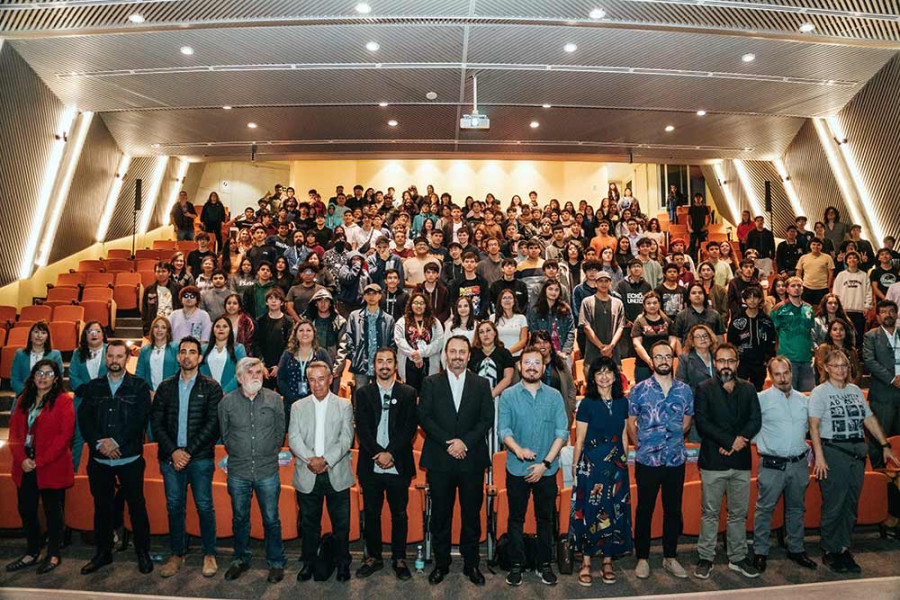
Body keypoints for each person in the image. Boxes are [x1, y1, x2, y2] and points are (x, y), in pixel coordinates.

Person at [809, 348, 898, 573]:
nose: (841, 369)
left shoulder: (856, 390)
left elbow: (868, 418)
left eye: (845, 365)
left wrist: (885, 445)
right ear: (826, 368)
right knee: (834, 504)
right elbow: (814, 426)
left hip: (857, 452)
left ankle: (843, 547)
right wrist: (819, 457)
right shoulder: (820, 392)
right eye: (836, 365)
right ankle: (830, 550)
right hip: (833, 451)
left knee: (850, 504)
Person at [418, 336, 494, 586]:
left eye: (462, 352)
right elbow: (425, 418)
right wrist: (450, 443)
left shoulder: (482, 384)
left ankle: (472, 564)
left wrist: (465, 443)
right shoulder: (430, 383)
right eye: (453, 351)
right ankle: (441, 564)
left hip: (471, 459)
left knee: (471, 515)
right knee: (440, 515)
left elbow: (486, 419)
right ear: (445, 355)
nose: (458, 356)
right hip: (441, 459)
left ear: (469, 356)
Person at [78, 340, 154, 575]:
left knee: (137, 508)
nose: (114, 360)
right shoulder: (93, 387)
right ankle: (103, 553)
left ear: (126, 359)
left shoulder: (139, 386)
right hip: (100, 460)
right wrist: (100, 443)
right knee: (102, 509)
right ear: (105, 358)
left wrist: (116, 441)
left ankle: (142, 552)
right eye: (110, 356)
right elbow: (85, 420)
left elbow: (140, 419)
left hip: (129, 458)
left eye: (119, 356)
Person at [150, 337, 223, 579]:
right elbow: (156, 424)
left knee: (204, 506)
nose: (187, 356)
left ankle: (209, 554)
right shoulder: (165, 387)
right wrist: (174, 451)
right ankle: (177, 554)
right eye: (183, 352)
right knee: (174, 506)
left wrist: (188, 451)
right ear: (178, 356)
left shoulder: (211, 388)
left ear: (200, 358)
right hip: (171, 458)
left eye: (193, 352)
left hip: (199, 458)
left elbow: (213, 425)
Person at [498, 346, 568, 587]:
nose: (531, 366)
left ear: (544, 366)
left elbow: (562, 433)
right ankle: (516, 564)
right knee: (515, 518)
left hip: (547, 470)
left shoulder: (554, 396)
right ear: (519, 366)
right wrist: (518, 450)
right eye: (527, 362)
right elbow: (503, 430)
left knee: (545, 519)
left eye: (536, 363)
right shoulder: (508, 396)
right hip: (516, 468)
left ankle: (544, 564)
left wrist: (544, 463)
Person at [692, 343, 761, 579]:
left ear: (737, 363)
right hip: (713, 460)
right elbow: (703, 423)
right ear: (714, 362)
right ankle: (705, 557)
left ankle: (738, 557)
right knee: (709, 512)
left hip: (741, 460)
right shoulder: (703, 388)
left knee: (738, 513)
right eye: (721, 361)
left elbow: (755, 420)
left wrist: (739, 441)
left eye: (730, 361)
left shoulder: (749, 389)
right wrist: (730, 441)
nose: (726, 366)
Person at [628, 340, 693, 580]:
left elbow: (687, 421)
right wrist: (643, 444)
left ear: (672, 359)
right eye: (659, 357)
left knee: (673, 510)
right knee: (645, 509)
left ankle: (670, 557)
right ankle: (642, 558)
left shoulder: (684, 390)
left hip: (675, 459)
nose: (664, 360)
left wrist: (673, 439)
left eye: (668, 356)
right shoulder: (639, 389)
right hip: (647, 460)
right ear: (652, 360)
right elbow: (631, 424)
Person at [218, 357, 286, 583]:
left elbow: (279, 434)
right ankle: (240, 559)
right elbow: (226, 436)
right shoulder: (226, 403)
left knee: (271, 518)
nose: (256, 376)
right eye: (250, 372)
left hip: (267, 470)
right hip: (238, 471)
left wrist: (267, 452)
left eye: (259, 372)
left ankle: (276, 561)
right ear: (239, 378)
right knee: (240, 518)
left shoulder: (275, 400)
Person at [354, 348, 418, 580]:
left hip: (397, 463)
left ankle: (399, 558)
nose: (384, 365)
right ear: (374, 365)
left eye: (389, 361)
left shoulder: (408, 392)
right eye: (380, 361)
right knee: (371, 513)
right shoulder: (363, 393)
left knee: (399, 513)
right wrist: (379, 453)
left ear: (394, 365)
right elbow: (361, 428)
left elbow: (409, 428)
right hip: (371, 463)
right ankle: (374, 557)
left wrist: (390, 453)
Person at [289, 361, 355, 583]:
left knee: (341, 524)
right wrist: (311, 460)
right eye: (312, 380)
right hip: (308, 472)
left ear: (330, 379)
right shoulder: (297, 407)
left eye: (321, 379)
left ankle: (343, 563)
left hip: (336, 471)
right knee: (309, 524)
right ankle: (308, 562)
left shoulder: (344, 405)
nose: (316, 384)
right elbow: (294, 438)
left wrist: (325, 460)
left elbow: (346, 439)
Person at [5, 360, 73, 575]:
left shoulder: (63, 401)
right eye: (39, 373)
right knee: (26, 508)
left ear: (56, 379)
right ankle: (32, 550)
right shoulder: (23, 399)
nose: (43, 377)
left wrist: (39, 461)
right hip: (24, 464)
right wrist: (23, 458)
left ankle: (53, 553)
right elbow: (14, 433)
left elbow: (64, 437)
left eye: (49, 374)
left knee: (53, 511)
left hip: (50, 464)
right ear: (33, 376)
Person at [751, 357, 818, 573]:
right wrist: (765, 442)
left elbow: (812, 430)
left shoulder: (804, 400)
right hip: (771, 465)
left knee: (797, 509)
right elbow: (749, 429)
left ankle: (796, 549)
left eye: (786, 373)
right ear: (770, 375)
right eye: (777, 374)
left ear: (791, 372)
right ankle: (760, 552)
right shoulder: (760, 399)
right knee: (764, 510)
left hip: (799, 464)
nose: (782, 378)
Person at [570, 357, 633, 586]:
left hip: (616, 464)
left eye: (608, 372)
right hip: (593, 463)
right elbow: (580, 440)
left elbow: (625, 435)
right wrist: (576, 466)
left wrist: (624, 461)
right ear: (593, 378)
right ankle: (586, 562)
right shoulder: (586, 404)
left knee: (614, 509)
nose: (604, 376)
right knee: (590, 510)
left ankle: (608, 560)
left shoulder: (622, 403)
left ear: (615, 376)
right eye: (599, 373)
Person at [862, 300, 900, 467]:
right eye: (883, 312)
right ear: (878, 316)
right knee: (880, 437)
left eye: (891, 311)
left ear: (897, 314)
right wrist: (893, 379)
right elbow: (869, 361)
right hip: (883, 394)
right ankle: (878, 474)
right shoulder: (871, 336)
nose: (888, 315)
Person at [277, 319, 332, 428]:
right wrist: (293, 399)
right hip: (291, 404)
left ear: (314, 333)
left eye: (308, 330)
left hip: (316, 403)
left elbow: (328, 378)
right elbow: (280, 379)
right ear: (295, 334)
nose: (305, 333)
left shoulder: (322, 354)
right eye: (301, 330)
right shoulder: (287, 354)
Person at [341, 283, 397, 392]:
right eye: (368, 294)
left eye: (374, 293)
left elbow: (392, 343)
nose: (371, 297)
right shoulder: (355, 316)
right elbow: (348, 338)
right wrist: (354, 356)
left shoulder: (388, 319)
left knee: (382, 395)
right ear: (364, 296)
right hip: (361, 364)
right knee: (361, 395)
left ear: (380, 296)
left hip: (382, 364)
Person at [67, 321, 106, 470]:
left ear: (103, 334)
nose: (94, 334)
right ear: (85, 335)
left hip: (106, 402)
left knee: (104, 437)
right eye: (90, 331)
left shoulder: (110, 350)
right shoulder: (78, 353)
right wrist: (88, 392)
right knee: (79, 437)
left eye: (97, 331)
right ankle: (75, 472)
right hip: (82, 401)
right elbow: (73, 376)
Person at [726, 285, 777, 391]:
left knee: (758, 390)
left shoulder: (766, 320)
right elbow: (731, 341)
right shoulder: (737, 320)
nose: (752, 300)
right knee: (739, 390)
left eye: (755, 297)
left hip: (760, 362)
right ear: (744, 300)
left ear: (760, 300)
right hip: (742, 362)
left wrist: (768, 358)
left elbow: (772, 340)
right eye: (749, 297)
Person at [770, 277, 816, 392]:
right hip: (787, 359)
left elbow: (810, 331)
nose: (796, 288)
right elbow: (772, 332)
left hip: (806, 359)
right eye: (793, 286)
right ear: (787, 289)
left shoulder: (809, 308)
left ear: (803, 289)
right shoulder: (779, 309)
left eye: (799, 286)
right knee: (787, 395)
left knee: (808, 396)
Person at [393, 291, 444, 390]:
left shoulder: (435, 322)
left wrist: (421, 353)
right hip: (408, 362)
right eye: (415, 303)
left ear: (426, 306)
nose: (418, 306)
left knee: (428, 392)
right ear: (410, 305)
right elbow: (399, 340)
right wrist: (414, 354)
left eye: (422, 303)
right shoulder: (402, 321)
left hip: (429, 362)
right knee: (409, 392)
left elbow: (439, 341)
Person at [580, 270, 626, 365]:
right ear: (595, 284)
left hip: (613, 352)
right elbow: (586, 327)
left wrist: (610, 347)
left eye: (606, 281)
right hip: (593, 351)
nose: (604, 284)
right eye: (601, 281)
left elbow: (620, 327)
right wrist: (602, 347)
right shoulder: (587, 302)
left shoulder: (618, 303)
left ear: (610, 283)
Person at [252, 288, 293, 390]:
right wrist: (262, 365)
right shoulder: (260, 321)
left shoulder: (289, 321)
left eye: (277, 298)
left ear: (282, 302)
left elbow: (290, 345)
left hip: (283, 366)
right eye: (270, 298)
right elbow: (256, 344)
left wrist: (280, 365)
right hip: (264, 368)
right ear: (266, 302)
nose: (273, 301)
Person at [11, 321, 64, 399]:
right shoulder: (20, 354)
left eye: (43, 333)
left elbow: (58, 378)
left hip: (47, 398)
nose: (39, 335)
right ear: (30, 336)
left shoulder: (55, 355)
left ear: (47, 337)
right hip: (24, 397)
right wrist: (26, 394)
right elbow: (15, 378)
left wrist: (43, 394)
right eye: (36, 332)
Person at [632, 291, 676, 384]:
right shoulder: (639, 322)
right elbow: (637, 344)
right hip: (644, 365)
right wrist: (649, 360)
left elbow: (673, 340)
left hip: (664, 364)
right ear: (644, 305)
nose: (652, 305)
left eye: (655, 303)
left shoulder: (667, 321)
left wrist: (667, 357)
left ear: (659, 304)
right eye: (648, 303)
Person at [527, 279, 576, 362]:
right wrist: (546, 352)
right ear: (545, 290)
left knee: (565, 370)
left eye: (556, 290)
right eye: (550, 289)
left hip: (563, 351)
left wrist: (564, 351)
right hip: (542, 352)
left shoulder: (566, 309)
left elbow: (571, 332)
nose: (553, 292)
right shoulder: (535, 310)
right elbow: (534, 333)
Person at [833, 251, 872, 349]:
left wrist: (867, 306)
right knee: (844, 335)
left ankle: (857, 358)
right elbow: (835, 293)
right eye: (850, 258)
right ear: (846, 261)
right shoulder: (841, 275)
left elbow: (868, 292)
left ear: (858, 260)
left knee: (858, 336)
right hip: (844, 311)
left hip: (859, 310)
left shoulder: (863, 275)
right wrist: (838, 308)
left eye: (855, 258)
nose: (852, 260)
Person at [201, 316, 248, 394]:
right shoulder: (203, 349)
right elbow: (200, 371)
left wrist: (225, 391)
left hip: (232, 393)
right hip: (207, 394)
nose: (221, 329)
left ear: (230, 330)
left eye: (225, 326)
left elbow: (241, 371)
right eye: (217, 326)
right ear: (213, 329)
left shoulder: (239, 348)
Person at [814, 318, 861, 385]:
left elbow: (858, 372)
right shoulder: (824, 348)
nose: (838, 332)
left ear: (846, 332)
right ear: (830, 333)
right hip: (829, 386)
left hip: (850, 386)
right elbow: (823, 371)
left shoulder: (852, 350)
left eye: (841, 329)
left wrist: (851, 385)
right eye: (835, 329)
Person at [796, 238, 835, 307]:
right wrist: (800, 284)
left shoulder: (828, 257)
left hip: (822, 288)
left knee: (821, 309)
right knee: (805, 309)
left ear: (822, 246)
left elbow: (831, 273)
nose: (816, 247)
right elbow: (798, 272)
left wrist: (828, 286)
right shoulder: (803, 257)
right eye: (813, 244)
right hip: (806, 288)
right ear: (810, 246)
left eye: (818, 245)